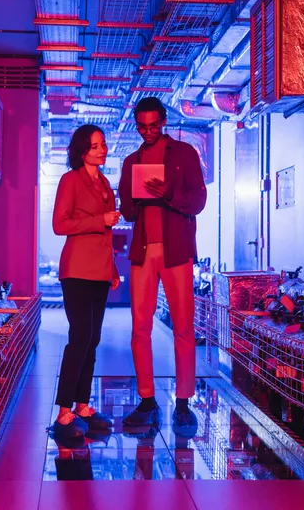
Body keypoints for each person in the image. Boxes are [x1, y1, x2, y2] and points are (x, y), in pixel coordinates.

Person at [118, 97, 206, 434]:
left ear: (164, 120)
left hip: (176, 250)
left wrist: (168, 193)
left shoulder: (185, 155)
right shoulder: (131, 161)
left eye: (154, 125)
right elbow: (126, 210)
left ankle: (183, 404)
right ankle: (147, 400)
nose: (149, 131)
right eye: (142, 126)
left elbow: (198, 201)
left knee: (183, 327)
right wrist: (134, 199)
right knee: (139, 327)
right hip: (142, 251)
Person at [52, 125, 121, 440]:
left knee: (93, 339)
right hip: (77, 270)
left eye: (103, 145)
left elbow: (106, 236)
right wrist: (99, 220)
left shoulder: (105, 183)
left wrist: (114, 270)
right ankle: (63, 409)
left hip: (100, 272)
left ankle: (82, 404)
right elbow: (59, 224)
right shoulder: (71, 180)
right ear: (82, 151)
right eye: (95, 146)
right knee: (79, 337)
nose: (101, 150)